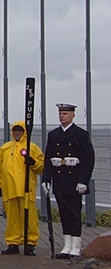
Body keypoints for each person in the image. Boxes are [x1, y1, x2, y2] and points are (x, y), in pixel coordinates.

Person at [42, 103, 95, 259]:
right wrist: (46, 179)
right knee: (64, 213)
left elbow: (88, 159)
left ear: (73, 115)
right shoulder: (53, 135)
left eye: (65, 113)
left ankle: (76, 246)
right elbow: (48, 158)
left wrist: (83, 180)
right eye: (60, 113)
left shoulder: (80, 134)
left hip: (74, 179)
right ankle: (66, 245)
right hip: (59, 178)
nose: (62, 116)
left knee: (74, 213)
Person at [0, 121, 44, 256]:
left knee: (30, 218)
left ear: (25, 132)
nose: (17, 133)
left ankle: (30, 243)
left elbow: (41, 167)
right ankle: (13, 243)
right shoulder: (5, 148)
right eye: (15, 130)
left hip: (26, 189)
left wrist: (33, 162)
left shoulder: (32, 148)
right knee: (12, 218)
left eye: (20, 131)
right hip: (9, 189)